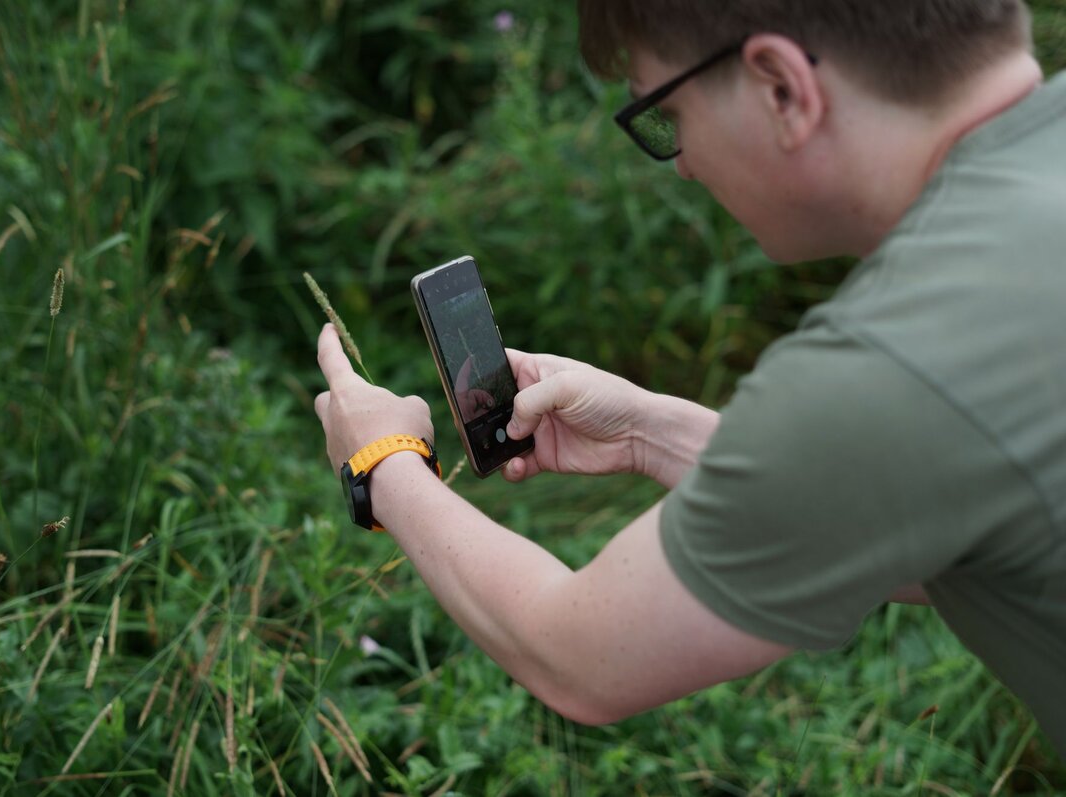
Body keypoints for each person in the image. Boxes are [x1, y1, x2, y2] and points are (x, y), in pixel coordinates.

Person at [314, 0, 1066, 755]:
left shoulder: (896, 362)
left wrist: (384, 464)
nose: (683, 161)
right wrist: (648, 429)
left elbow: (581, 655)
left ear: (780, 86)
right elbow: (935, 522)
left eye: (667, 110)